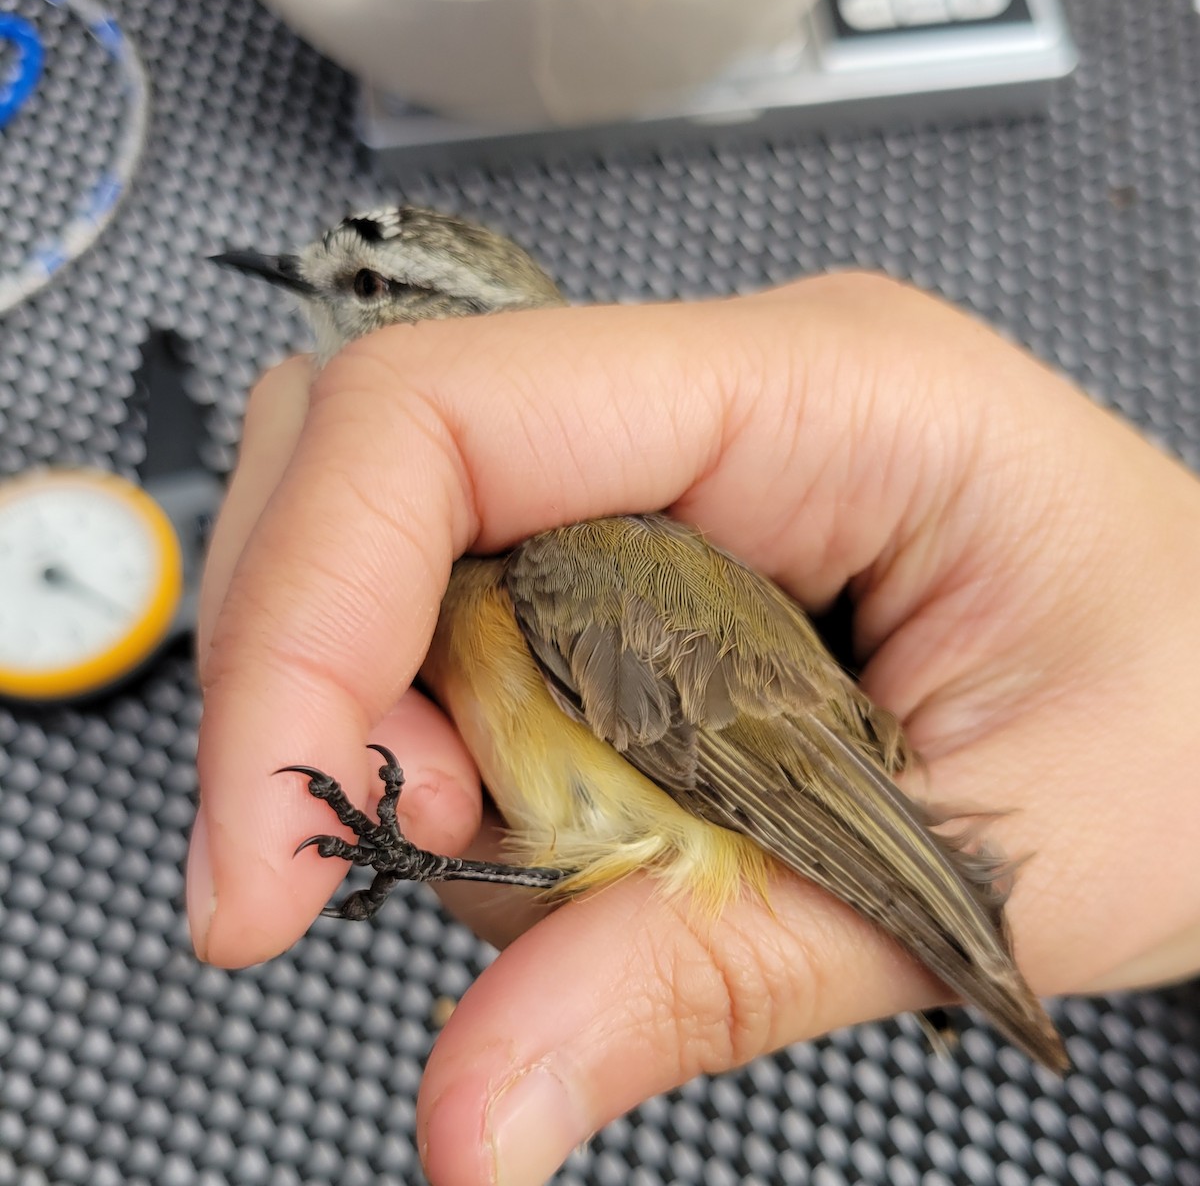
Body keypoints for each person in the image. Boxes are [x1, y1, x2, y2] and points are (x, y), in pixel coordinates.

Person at [187, 273, 1200, 1186]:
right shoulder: (511, 578)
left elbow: (748, 800)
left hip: (792, 840)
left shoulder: (570, 575)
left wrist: (958, 942)